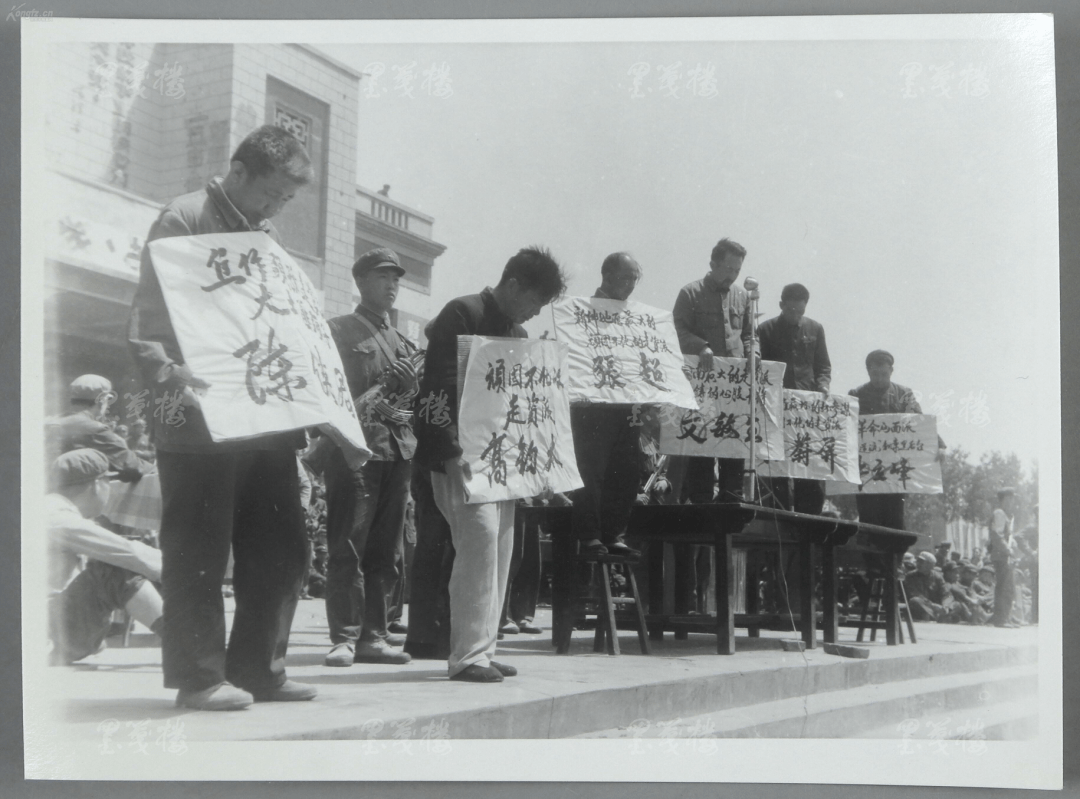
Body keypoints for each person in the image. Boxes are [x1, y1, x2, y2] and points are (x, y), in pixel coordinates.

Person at [128, 124, 316, 710]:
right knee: (199, 548)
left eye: (287, 200)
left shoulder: (266, 237)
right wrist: (168, 372)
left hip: (263, 412)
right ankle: (199, 677)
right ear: (239, 173)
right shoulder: (182, 218)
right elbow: (149, 316)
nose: (278, 207)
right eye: (273, 194)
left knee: (282, 544)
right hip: (200, 411)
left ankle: (260, 668)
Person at [414, 246, 567, 682]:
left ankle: (484, 647)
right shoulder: (461, 312)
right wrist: (449, 450)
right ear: (514, 284)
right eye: (535, 302)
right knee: (479, 543)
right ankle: (465, 656)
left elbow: (523, 407)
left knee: (501, 548)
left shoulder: (516, 333)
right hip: (458, 455)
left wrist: (539, 468)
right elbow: (437, 386)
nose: (536, 313)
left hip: (500, 460)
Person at [322, 247, 419, 667]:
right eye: (383, 277)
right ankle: (344, 636)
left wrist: (409, 385)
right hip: (354, 449)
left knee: (386, 549)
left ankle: (374, 636)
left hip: (396, 449)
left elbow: (411, 406)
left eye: (396, 279)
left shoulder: (404, 342)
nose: (392, 285)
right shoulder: (337, 330)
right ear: (360, 282)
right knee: (349, 544)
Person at [46, 449, 164, 665]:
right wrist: (184, 569)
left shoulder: (50, 509)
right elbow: (126, 552)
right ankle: (184, 642)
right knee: (115, 568)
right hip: (43, 632)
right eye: (108, 482)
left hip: (40, 627)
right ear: (96, 484)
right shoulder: (56, 516)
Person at [570, 252, 646, 557]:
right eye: (626, 278)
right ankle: (589, 534)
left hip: (626, 405)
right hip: (592, 406)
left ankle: (615, 532)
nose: (631, 285)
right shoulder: (582, 312)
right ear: (607, 277)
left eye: (635, 279)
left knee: (627, 469)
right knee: (592, 469)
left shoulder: (636, 317)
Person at [672, 238, 754, 505]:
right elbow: (677, 331)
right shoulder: (690, 293)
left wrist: (754, 354)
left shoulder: (742, 297)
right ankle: (701, 508)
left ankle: (731, 506)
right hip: (701, 390)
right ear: (713, 264)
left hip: (734, 391)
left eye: (737, 271)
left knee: (734, 449)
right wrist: (701, 347)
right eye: (728, 269)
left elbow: (751, 336)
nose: (732, 276)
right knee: (701, 450)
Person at [848, 350, 945, 530]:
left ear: (891, 371)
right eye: (874, 374)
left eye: (883, 374)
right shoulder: (856, 394)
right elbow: (845, 427)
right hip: (867, 474)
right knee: (869, 525)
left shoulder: (904, 394)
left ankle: (895, 559)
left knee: (895, 523)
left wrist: (938, 445)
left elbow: (919, 422)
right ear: (868, 371)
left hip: (895, 471)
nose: (879, 379)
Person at [757, 282, 831, 514]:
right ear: (781, 305)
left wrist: (824, 385)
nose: (796, 316)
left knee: (808, 467)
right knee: (778, 470)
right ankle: (778, 517)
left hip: (807, 412)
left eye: (801, 311)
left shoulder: (816, 329)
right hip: (776, 410)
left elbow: (823, 366)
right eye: (791, 311)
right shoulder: (765, 330)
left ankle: (809, 522)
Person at [45, 375, 153, 483]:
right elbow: (133, 466)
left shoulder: (51, 422)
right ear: (101, 400)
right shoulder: (95, 429)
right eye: (108, 400)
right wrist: (155, 469)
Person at [988, 487, 1020, 628]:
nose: (1012, 502)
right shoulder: (1000, 513)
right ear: (1005, 499)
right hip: (1002, 556)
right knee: (1004, 588)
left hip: (1005, 555)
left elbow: (1005, 536)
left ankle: (1006, 616)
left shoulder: (1006, 515)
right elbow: (997, 535)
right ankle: (1001, 619)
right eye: (1010, 499)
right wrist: (1008, 550)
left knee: (1008, 587)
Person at [903, 551, 951, 621]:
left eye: (921, 562)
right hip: (922, 605)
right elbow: (914, 593)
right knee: (915, 600)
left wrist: (945, 605)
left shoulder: (937, 576)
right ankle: (938, 617)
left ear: (930, 565)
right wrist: (932, 605)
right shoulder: (910, 576)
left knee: (956, 604)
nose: (918, 563)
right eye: (918, 561)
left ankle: (940, 615)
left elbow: (946, 593)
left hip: (938, 606)